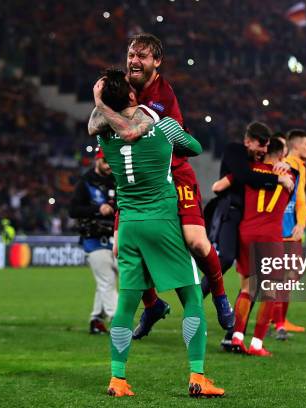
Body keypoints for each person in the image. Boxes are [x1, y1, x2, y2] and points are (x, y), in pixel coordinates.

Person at [88, 33, 233, 337]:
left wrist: (102, 104)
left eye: (142, 56)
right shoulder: (123, 87)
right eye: (131, 54)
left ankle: (219, 294)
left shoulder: (161, 95)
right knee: (121, 251)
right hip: (139, 182)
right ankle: (153, 305)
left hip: (175, 173)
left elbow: (129, 131)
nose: (134, 61)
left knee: (195, 241)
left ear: (157, 62)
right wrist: (104, 104)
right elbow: (92, 126)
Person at [95, 69, 224, 397]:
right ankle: (197, 376)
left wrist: (101, 101)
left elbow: (100, 118)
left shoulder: (102, 133)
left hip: (129, 226)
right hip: (162, 221)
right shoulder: (161, 124)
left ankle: (118, 379)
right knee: (192, 297)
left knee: (126, 305)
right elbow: (193, 147)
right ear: (132, 96)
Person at [213, 138, 296, 355]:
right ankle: (257, 344)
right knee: (269, 291)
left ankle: (237, 338)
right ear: (280, 155)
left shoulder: (248, 170)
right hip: (270, 235)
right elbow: (287, 197)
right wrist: (284, 170)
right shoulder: (289, 176)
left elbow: (218, 186)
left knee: (247, 288)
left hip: (246, 232)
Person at [275, 129, 306, 338]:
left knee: (291, 275)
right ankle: (277, 322)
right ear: (295, 146)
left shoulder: (298, 167)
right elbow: (297, 201)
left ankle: (279, 319)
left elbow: (298, 201)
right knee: (285, 277)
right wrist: (302, 224)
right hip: (284, 230)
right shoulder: (289, 165)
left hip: (291, 230)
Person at [68, 149, 117, 335]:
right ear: (97, 160)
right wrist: (98, 208)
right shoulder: (85, 183)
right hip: (93, 238)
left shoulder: (116, 180)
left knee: (107, 280)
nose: (108, 165)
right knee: (107, 280)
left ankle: (96, 320)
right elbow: (73, 210)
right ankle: (119, 320)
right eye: (105, 161)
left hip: (114, 237)